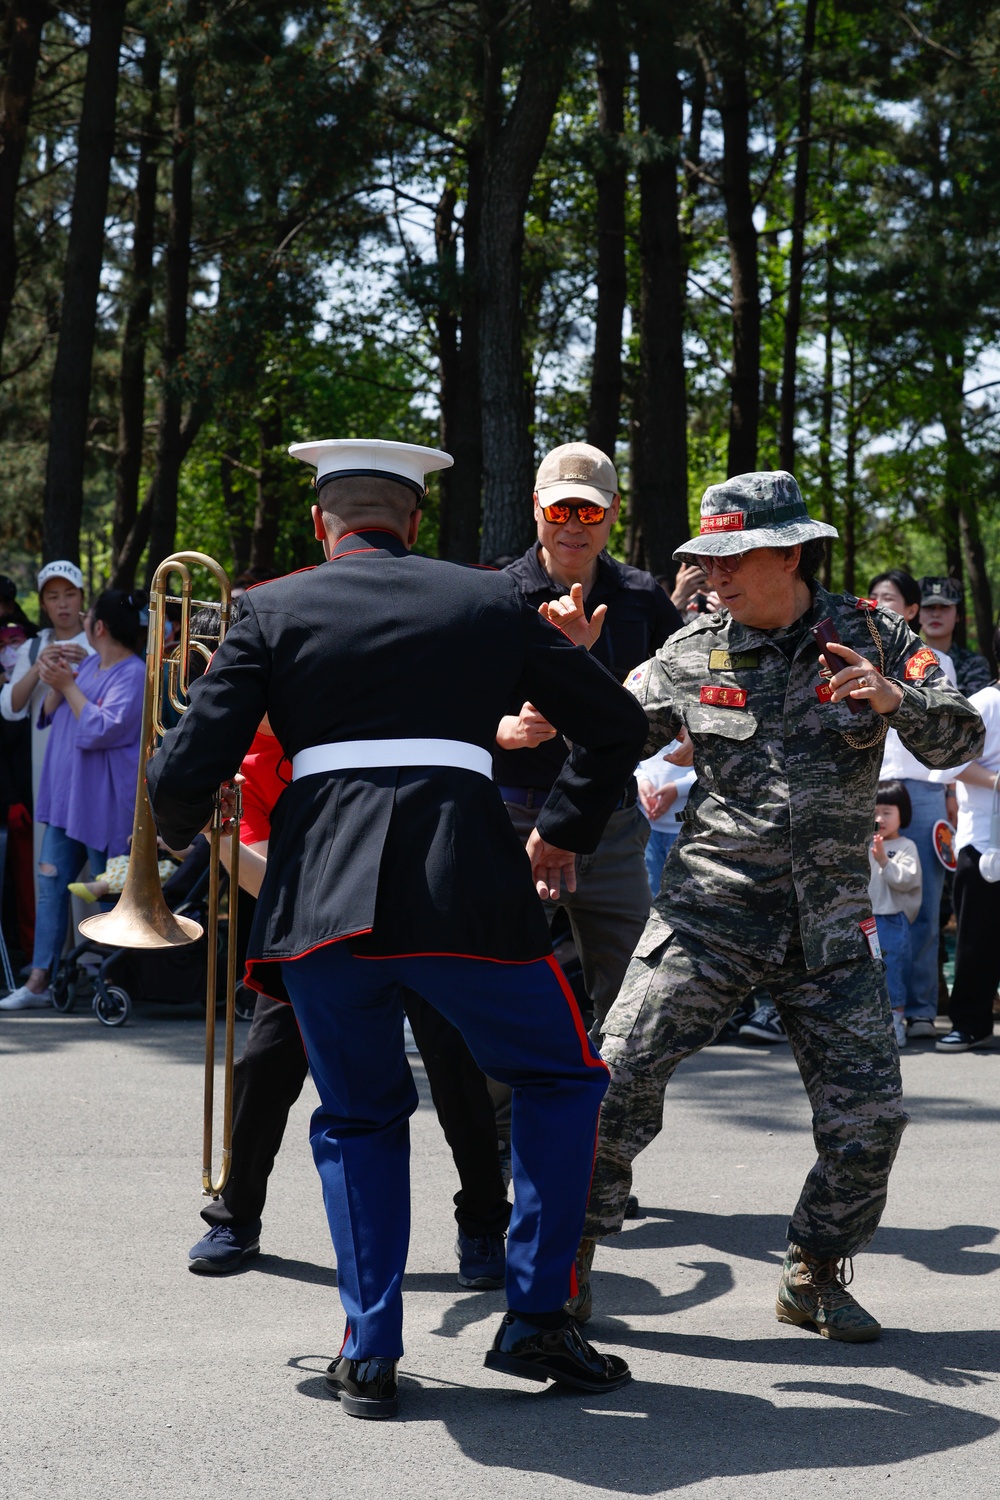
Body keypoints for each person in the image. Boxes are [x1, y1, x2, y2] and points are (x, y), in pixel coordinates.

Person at [146, 438, 646, 1418]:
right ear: (414, 523)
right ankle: (537, 1316)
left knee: (359, 1115)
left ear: (321, 528)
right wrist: (559, 833)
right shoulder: (487, 599)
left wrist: (167, 843)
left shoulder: (268, 608)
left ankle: (368, 1347)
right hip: (465, 884)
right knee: (561, 1077)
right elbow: (616, 727)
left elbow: (181, 770)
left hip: (317, 899)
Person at [547, 470, 984, 1341]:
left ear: (787, 553)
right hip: (708, 916)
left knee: (869, 1120)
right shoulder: (689, 651)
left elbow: (964, 732)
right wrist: (558, 676)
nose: (714, 578)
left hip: (826, 931)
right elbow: (605, 733)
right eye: (706, 562)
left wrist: (896, 699)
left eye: (732, 560)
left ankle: (814, 1273)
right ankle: (566, 1266)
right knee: (616, 1081)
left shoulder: (876, 636)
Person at [186, 718, 515, 1293]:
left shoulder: (347, 715)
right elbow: (267, 885)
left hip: (416, 910)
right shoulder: (243, 764)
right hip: (318, 929)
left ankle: (485, 1224)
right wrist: (219, 840)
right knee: (264, 1065)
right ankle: (235, 1217)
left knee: (457, 1067)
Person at [495, 442, 682, 1029]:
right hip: (514, 821)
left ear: (614, 511)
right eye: (560, 511)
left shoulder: (643, 598)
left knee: (636, 1000)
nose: (574, 526)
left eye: (590, 512)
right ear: (535, 509)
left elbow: (685, 683)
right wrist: (504, 731)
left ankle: (612, 1121)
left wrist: (691, 725)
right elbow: (454, 708)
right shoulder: (496, 598)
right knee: (506, 988)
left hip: (611, 822)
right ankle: (505, 1126)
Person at [0, 591, 146, 1010]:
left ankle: (111, 976)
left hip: (102, 804)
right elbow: (50, 711)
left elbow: (104, 727)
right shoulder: (90, 667)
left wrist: (67, 684)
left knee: (106, 891)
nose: (80, 618)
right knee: (50, 886)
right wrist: (55, 680)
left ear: (98, 627)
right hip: (66, 800)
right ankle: (39, 979)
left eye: (88, 615)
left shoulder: (133, 673)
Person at [870, 569, 958, 1039]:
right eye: (874, 597)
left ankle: (921, 1008)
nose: (880, 604)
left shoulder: (937, 661)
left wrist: (949, 798)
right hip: (871, 788)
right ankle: (877, 1010)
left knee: (919, 904)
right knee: (867, 903)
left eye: (891, 599)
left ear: (911, 612)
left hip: (923, 791)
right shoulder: (854, 660)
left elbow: (951, 737)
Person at [0, 561, 92, 885]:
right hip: (44, 770)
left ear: (82, 597)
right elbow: (11, 708)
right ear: (42, 604)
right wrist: (37, 667)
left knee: (88, 876)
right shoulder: (33, 646)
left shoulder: (99, 641)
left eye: (69, 594)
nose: (62, 604)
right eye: (53, 597)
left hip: (89, 763)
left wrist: (92, 661)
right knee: (48, 871)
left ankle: (89, 936)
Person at [936, 634, 1000, 1051]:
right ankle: (971, 1022)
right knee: (977, 937)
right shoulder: (986, 703)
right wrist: (997, 782)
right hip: (985, 843)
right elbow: (949, 759)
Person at [868, 780, 922, 1050]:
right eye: (875, 811)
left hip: (891, 919)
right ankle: (872, 1025)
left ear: (903, 813)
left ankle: (896, 1022)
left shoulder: (905, 846)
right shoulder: (865, 843)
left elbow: (908, 879)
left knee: (893, 972)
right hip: (865, 920)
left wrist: (884, 861)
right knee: (865, 973)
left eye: (887, 812)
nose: (880, 818)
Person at [637, 741, 696, 897]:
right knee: (650, 886)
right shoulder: (646, 720)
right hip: (648, 828)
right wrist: (641, 781)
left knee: (682, 888)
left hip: (684, 828)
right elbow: (633, 762)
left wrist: (678, 787)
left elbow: (710, 768)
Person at [918, 576, 991, 698]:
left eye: (944, 607)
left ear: (958, 615)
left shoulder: (974, 665)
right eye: (928, 607)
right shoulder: (907, 660)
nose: (936, 614)